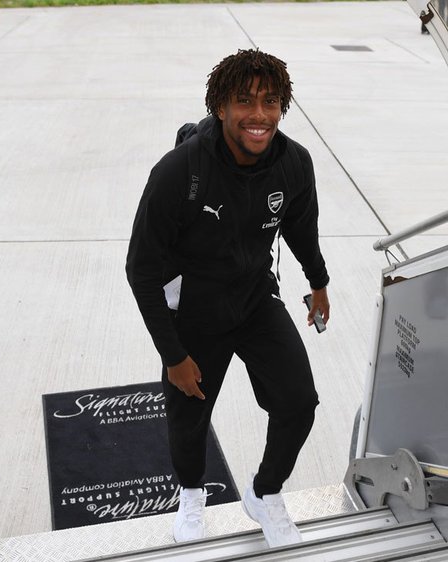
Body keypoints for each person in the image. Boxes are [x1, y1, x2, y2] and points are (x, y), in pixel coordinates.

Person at [126, 49, 330, 548]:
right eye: (244, 102)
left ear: (283, 107)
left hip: (254, 296)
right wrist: (173, 355)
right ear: (221, 107)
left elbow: (301, 229)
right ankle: (192, 494)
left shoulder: (295, 163)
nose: (258, 115)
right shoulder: (179, 171)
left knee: (298, 400)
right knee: (189, 417)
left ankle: (265, 493)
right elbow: (141, 269)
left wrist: (318, 282)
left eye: (270, 102)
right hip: (194, 308)